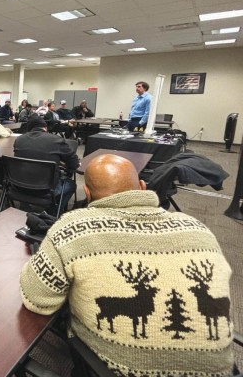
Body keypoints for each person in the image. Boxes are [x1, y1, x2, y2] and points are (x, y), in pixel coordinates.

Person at [19, 154, 233, 375]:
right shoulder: (197, 228)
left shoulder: (70, 229)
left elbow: (38, 301)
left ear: (88, 194)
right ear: (142, 187)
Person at [13, 115, 78, 215]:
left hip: (19, 186)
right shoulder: (56, 140)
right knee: (71, 185)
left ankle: (25, 206)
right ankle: (53, 212)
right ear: (45, 127)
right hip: (46, 189)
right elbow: (74, 163)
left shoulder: (19, 140)